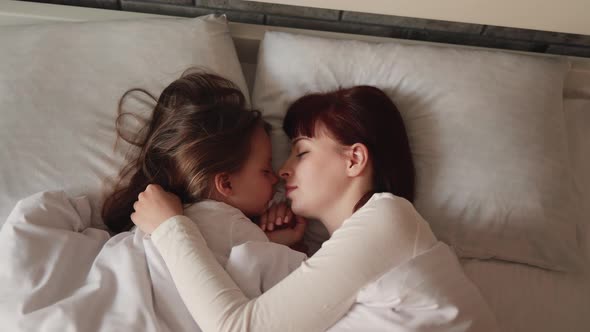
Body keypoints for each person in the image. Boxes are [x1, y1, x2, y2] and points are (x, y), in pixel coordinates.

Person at [132, 86, 499, 332]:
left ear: (354, 159)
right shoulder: (361, 246)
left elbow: (240, 328)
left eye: (302, 151)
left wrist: (171, 227)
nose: (283, 170)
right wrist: (286, 252)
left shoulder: (390, 219)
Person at [102, 70, 305, 268]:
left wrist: (270, 242)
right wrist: (290, 246)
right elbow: (293, 289)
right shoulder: (234, 225)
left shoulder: (174, 213)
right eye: (266, 170)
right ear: (225, 183)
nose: (276, 179)